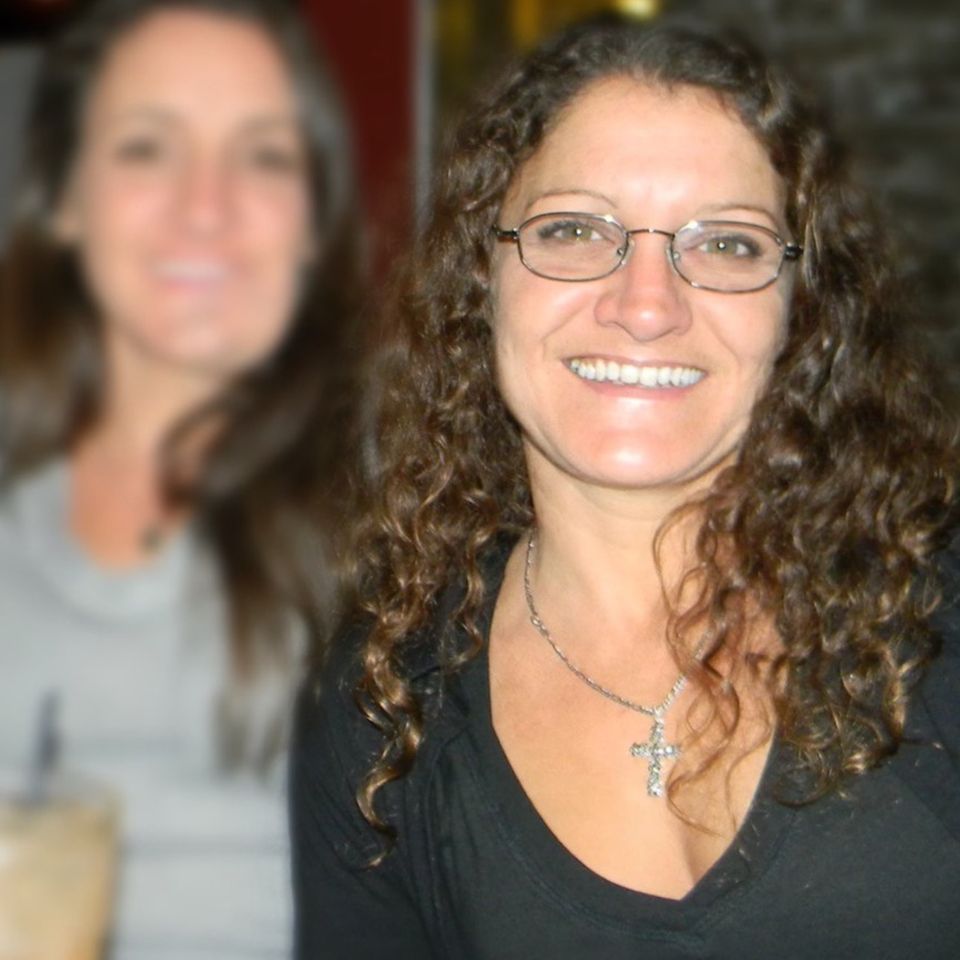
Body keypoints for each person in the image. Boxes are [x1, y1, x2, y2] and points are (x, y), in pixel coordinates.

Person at [290, 14, 960, 960]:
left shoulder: (936, 619)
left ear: (801, 310)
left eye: (726, 245)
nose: (646, 306)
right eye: (573, 230)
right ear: (484, 276)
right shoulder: (383, 701)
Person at [0, 0, 362, 956]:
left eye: (264, 156)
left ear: (313, 222)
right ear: (64, 199)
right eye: (147, 148)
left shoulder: (414, 532)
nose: (207, 206)